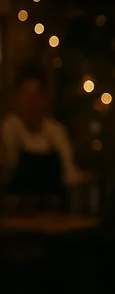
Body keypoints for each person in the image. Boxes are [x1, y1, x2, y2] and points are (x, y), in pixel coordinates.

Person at [0, 64, 85, 206]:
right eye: (25, 95)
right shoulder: (9, 129)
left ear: (44, 99)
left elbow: (70, 174)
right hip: (18, 213)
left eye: (35, 96)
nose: (30, 103)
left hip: (54, 212)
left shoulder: (56, 131)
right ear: (17, 98)